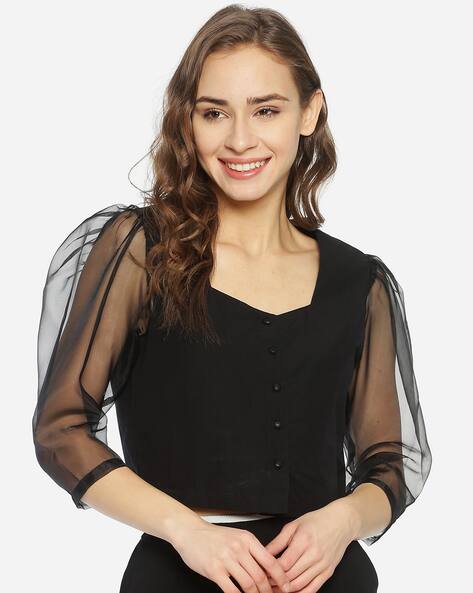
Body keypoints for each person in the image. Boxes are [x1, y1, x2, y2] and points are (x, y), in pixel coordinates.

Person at [32, 5, 432, 593]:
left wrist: (344, 520)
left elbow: (391, 464)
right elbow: (61, 430)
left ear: (309, 113)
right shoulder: (140, 253)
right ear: (188, 122)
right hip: (178, 577)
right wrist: (186, 530)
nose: (240, 139)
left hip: (328, 580)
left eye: (266, 110)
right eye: (214, 113)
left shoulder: (359, 282)